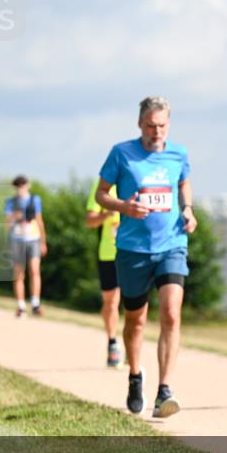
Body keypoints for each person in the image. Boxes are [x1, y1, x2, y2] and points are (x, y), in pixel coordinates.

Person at [95, 96, 196, 418]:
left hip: (172, 244)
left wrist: (188, 210)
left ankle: (165, 390)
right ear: (140, 124)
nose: (157, 131)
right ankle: (135, 374)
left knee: (171, 313)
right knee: (135, 320)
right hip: (133, 249)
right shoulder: (122, 153)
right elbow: (101, 194)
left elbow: (184, 183)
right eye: (151, 125)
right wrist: (124, 206)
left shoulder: (178, 154)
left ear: (169, 125)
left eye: (162, 125)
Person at [85, 178, 123, 368]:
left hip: (134, 251)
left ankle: (132, 345)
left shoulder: (140, 183)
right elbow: (89, 221)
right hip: (108, 253)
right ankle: (112, 342)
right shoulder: (103, 186)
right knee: (111, 302)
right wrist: (107, 214)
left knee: (135, 302)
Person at [4, 175, 47, 317]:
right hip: (17, 240)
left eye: (22, 185)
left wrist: (43, 242)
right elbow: (6, 225)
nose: (20, 188)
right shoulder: (11, 202)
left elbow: (40, 221)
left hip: (33, 239)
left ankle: (35, 304)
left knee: (35, 271)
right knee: (19, 274)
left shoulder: (35, 200)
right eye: (18, 185)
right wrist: (13, 217)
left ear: (28, 185)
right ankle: (21, 306)